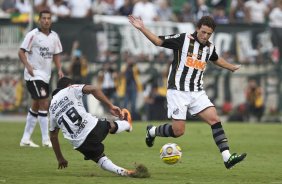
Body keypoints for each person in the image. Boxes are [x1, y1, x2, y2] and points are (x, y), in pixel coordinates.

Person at [128, 15, 247, 169]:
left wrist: (230, 67)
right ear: (198, 29)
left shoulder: (209, 47)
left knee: (214, 119)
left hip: (197, 92)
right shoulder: (183, 39)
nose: (205, 36)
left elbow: (216, 58)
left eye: (209, 34)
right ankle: (152, 131)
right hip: (178, 91)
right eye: (203, 32)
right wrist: (142, 28)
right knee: (178, 131)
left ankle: (227, 158)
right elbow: (158, 41)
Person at [49, 77, 149, 178]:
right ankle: (127, 124)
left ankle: (122, 171)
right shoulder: (70, 89)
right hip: (91, 128)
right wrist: (110, 106)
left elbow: (53, 135)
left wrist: (60, 158)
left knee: (99, 158)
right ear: (69, 85)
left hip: (79, 143)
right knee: (110, 125)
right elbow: (93, 89)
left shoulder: (52, 109)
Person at [19, 10, 64, 148]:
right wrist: (28, 65)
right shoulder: (32, 35)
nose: (46, 21)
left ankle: (25, 139)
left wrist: (60, 69)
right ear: (39, 20)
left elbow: (56, 54)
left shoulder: (54, 36)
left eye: (48, 18)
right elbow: (21, 51)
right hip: (33, 75)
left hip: (46, 76)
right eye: (43, 18)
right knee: (44, 103)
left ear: (51, 20)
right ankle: (46, 140)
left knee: (37, 105)